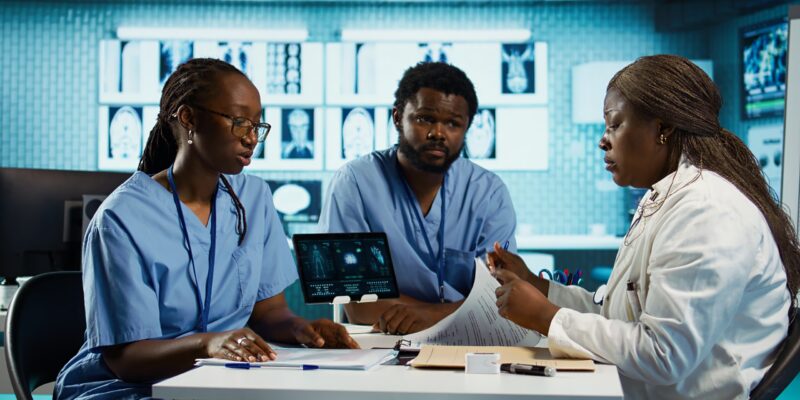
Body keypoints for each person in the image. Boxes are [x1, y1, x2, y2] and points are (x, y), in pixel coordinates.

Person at [490, 54, 800, 399]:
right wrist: (539, 287)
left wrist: (547, 317)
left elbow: (664, 355)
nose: (603, 140)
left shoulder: (707, 211)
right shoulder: (667, 199)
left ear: (662, 129)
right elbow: (619, 318)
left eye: (615, 124)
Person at [55, 58, 357, 400]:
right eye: (240, 121)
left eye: (258, 125)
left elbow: (269, 312)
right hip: (130, 388)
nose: (252, 137)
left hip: (220, 381)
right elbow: (126, 361)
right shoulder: (120, 219)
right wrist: (207, 344)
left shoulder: (253, 198)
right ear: (188, 119)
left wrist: (301, 329)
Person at [319, 62, 517, 335]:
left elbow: (501, 302)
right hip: (379, 345)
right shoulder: (355, 183)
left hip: (468, 345)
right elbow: (359, 305)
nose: (438, 133)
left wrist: (424, 315)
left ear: (466, 127)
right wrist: (457, 310)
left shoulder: (489, 193)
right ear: (398, 117)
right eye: (425, 118)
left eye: (452, 123)